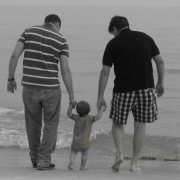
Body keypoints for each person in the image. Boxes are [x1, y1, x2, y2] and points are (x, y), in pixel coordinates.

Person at [7, 14, 77, 170]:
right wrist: (72, 97)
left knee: (33, 124)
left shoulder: (29, 31)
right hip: (51, 89)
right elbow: (65, 70)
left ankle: (34, 158)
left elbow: (14, 55)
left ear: (45, 22)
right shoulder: (61, 40)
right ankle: (44, 160)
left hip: (29, 88)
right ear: (57, 24)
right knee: (50, 124)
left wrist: (11, 79)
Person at [97, 16, 165, 172]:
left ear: (114, 29)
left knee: (117, 123)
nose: (113, 36)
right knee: (140, 125)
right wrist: (160, 83)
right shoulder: (146, 38)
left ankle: (119, 155)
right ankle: (134, 163)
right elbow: (160, 61)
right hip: (146, 89)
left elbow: (105, 73)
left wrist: (100, 96)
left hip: (123, 91)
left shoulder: (113, 44)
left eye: (112, 33)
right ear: (126, 25)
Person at [67, 101, 106, 170]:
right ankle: (82, 166)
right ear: (89, 110)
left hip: (75, 142)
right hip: (85, 143)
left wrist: (70, 106)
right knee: (84, 154)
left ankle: (71, 162)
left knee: (73, 151)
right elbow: (98, 117)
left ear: (77, 111)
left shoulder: (76, 117)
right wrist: (102, 109)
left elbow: (69, 114)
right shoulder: (90, 118)